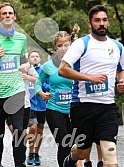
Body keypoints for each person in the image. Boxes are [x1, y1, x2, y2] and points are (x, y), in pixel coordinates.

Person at [58, 5, 124, 167]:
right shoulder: (81, 44)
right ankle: (72, 158)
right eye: (97, 21)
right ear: (90, 24)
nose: (101, 24)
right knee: (83, 152)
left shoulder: (117, 47)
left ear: (108, 22)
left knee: (110, 153)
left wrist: (122, 81)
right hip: (83, 106)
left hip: (107, 106)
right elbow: (63, 70)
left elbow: (121, 69)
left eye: (104, 20)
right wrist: (90, 78)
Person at [0, 2, 30, 167]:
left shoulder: (21, 38)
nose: (8, 16)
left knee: (18, 130)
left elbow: (23, 59)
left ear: (14, 17)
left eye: (10, 13)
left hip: (16, 90)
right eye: (4, 13)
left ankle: (20, 164)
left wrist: (27, 65)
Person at [35, 31, 76, 167]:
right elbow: (38, 83)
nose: (63, 48)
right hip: (54, 109)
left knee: (74, 144)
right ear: (55, 47)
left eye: (66, 45)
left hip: (74, 109)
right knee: (64, 143)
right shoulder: (48, 66)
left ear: (71, 45)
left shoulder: (76, 63)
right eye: (60, 46)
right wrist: (41, 93)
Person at [26, 51, 50, 166]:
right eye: (32, 56)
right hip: (30, 105)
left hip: (42, 105)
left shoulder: (44, 71)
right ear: (28, 59)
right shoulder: (24, 71)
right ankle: (30, 152)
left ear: (40, 58)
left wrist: (37, 82)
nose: (35, 58)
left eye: (37, 56)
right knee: (33, 128)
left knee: (40, 130)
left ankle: (36, 153)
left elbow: (49, 86)